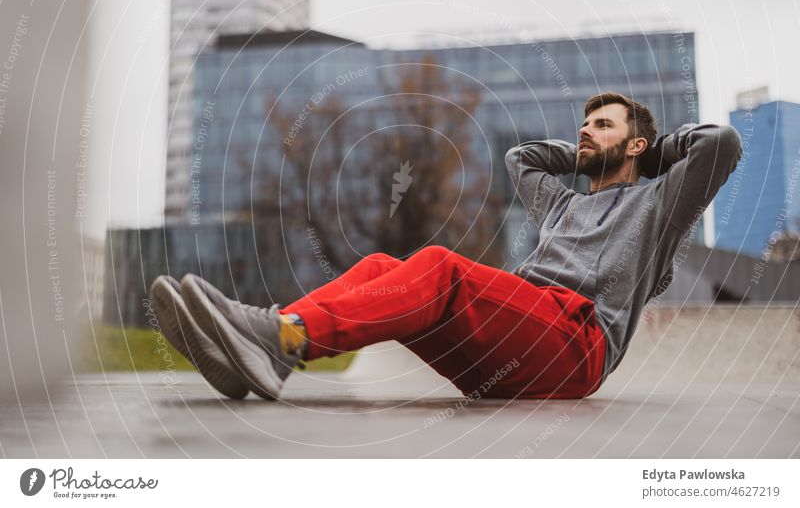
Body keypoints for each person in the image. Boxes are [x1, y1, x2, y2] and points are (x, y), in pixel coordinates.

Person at [150, 92, 743, 400]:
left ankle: (280, 337)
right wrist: (585, 153)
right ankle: (273, 346)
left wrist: (659, 149)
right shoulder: (562, 205)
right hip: (520, 336)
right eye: (583, 124)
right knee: (384, 265)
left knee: (439, 267)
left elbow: (720, 144)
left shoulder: (658, 205)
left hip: (576, 344)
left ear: (638, 146)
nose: (586, 130)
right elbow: (521, 159)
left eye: (603, 125)